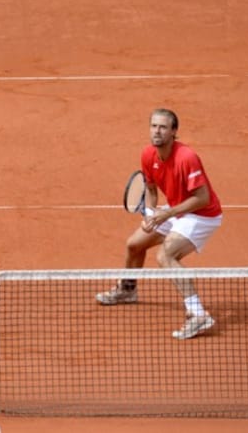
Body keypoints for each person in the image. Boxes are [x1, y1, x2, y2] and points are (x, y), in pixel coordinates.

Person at [96, 108, 222, 340]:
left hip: (202, 214)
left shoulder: (187, 158)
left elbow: (202, 198)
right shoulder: (148, 155)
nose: (157, 131)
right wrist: (151, 214)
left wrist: (166, 214)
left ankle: (198, 314)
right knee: (134, 244)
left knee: (166, 256)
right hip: (176, 209)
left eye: (163, 127)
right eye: (154, 126)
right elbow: (151, 190)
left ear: (174, 132)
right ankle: (128, 289)